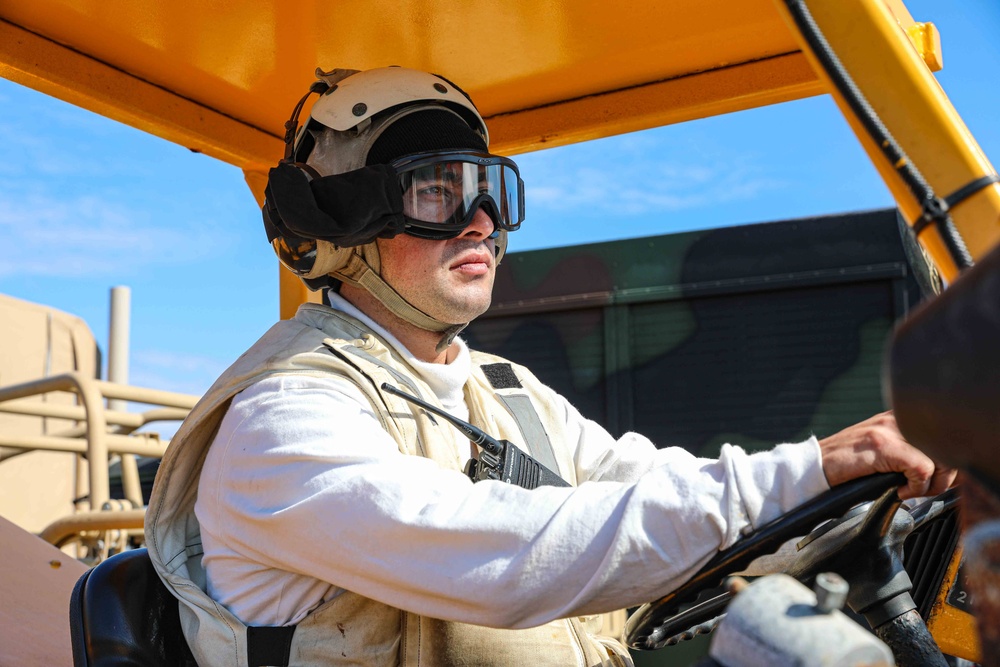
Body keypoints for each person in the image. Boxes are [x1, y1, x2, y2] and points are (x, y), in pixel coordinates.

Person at [145, 66, 955, 667]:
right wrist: (810, 467)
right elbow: (503, 554)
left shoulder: (497, 387)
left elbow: (642, 485)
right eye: (438, 192)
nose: (483, 221)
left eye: (493, 190)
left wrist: (839, 498)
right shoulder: (282, 420)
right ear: (341, 224)